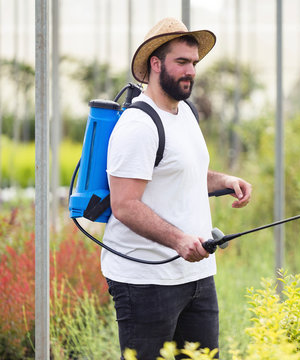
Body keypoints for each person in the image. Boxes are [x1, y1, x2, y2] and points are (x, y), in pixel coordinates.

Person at [102, 17, 252, 359]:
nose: (191, 72)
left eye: (194, 63)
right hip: (146, 282)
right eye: (181, 62)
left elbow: (183, 171)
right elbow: (124, 204)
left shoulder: (185, 113)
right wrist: (180, 240)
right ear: (156, 64)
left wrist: (225, 181)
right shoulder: (138, 124)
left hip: (197, 278)